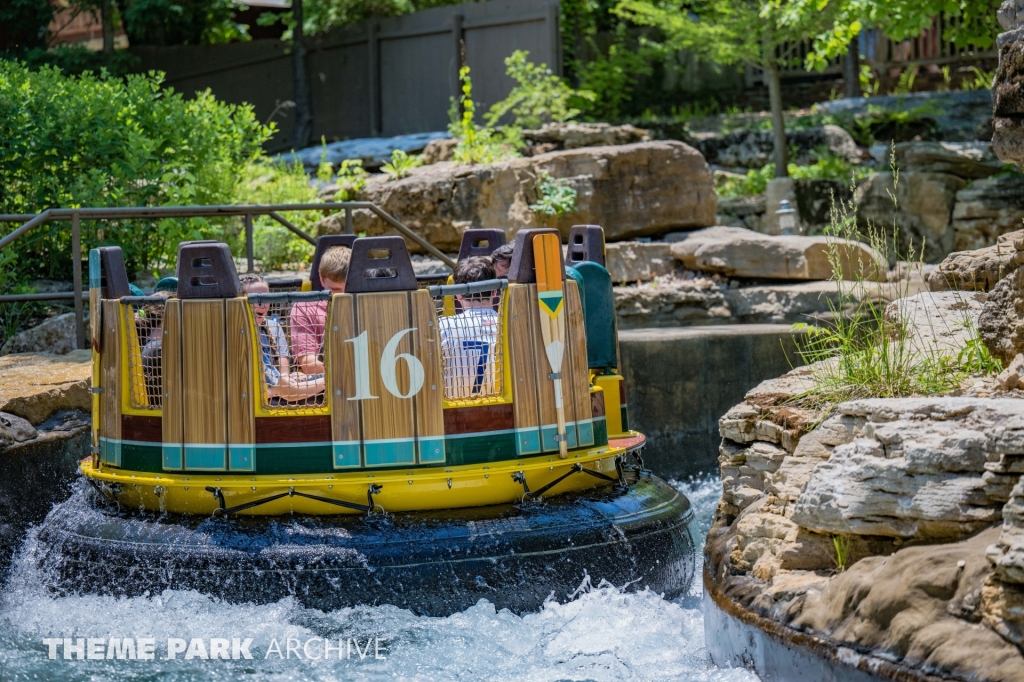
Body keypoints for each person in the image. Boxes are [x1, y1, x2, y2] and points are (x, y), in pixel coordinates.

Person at [241, 273, 325, 403]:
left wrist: (292, 379)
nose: (263, 305)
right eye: (256, 300)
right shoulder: (242, 336)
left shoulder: (274, 327)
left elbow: (282, 378)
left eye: (266, 298)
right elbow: (285, 390)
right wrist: (332, 379)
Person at [439, 257, 500, 399]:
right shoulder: (509, 325)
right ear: (495, 292)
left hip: (455, 412)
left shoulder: (442, 327)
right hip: (502, 409)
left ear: (458, 295)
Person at [291, 246, 350, 375]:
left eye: (348, 289)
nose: (342, 295)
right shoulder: (304, 309)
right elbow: (309, 365)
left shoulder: (367, 303)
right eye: (334, 289)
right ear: (322, 279)